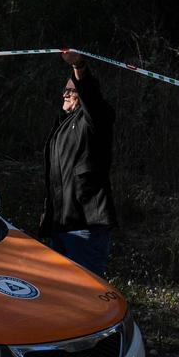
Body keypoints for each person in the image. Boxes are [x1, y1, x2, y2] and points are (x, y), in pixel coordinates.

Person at [38, 49, 117, 277]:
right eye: (64, 90)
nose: (65, 94)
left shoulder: (95, 120)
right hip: (61, 227)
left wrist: (79, 66)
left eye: (71, 91)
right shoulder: (64, 126)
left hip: (85, 227)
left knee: (87, 294)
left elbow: (91, 95)